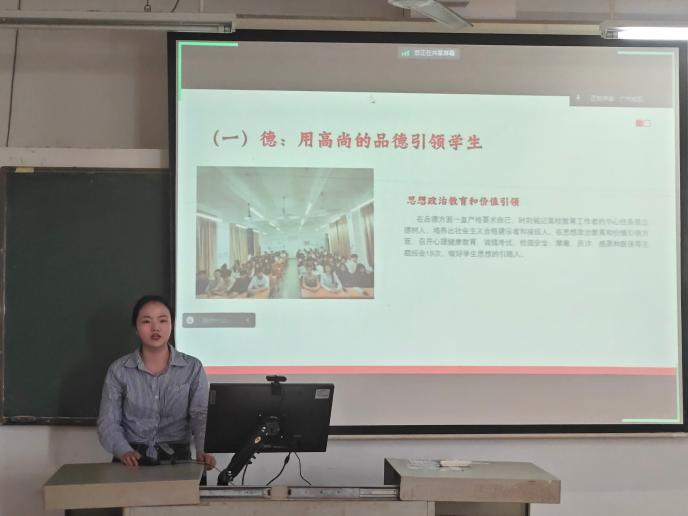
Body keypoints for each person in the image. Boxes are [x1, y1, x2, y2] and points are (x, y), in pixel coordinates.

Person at [97, 295, 216, 469]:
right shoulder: (119, 370)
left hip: (178, 459)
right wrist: (123, 451)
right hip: (131, 459)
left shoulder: (192, 367)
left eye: (163, 320)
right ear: (136, 328)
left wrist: (202, 449)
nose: (155, 328)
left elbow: (200, 415)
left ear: (172, 325)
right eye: (146, 321)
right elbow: (108, 421)